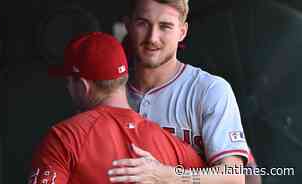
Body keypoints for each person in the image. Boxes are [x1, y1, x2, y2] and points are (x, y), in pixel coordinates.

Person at [107, 0, 261, 183]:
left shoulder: (210, 90)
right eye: (143, 23)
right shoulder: (110, 92)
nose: (152, 37)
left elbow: (233, 177)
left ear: (182, 32)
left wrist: (166, 176)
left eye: (165, 26)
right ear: (128, 25)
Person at [28, 32, 205, 184]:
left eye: (68, 82)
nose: (67, 88)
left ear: (83, 86)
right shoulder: (173, 144)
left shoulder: (63, 138)